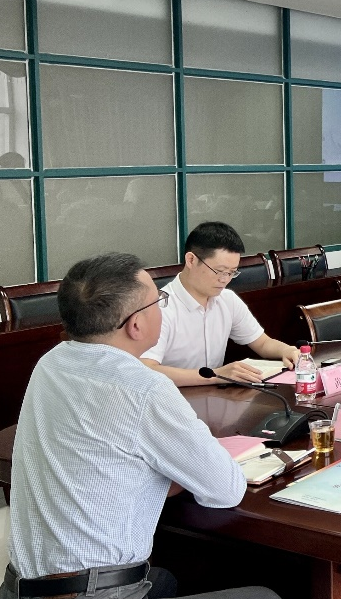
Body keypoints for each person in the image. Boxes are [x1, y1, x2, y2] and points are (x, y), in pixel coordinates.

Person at [3, 252, 278, 599]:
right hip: (97, 592)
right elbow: (226, 489)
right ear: (136, 325)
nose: (162, 307)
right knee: (265, 595)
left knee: (166, 579)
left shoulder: (49, 364)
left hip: (20, 587)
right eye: (158, 301)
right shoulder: (144, 388)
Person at [142, 222, 300, 387]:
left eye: (232, 272)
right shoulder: (159, 307)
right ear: (191, 260)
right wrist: (216, 376)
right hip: (171, 397)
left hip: (214, 395)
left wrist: (287, 350)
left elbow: (262, 343)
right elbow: (146, 370)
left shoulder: (227, 299)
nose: (225, 279)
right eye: (219, 271)